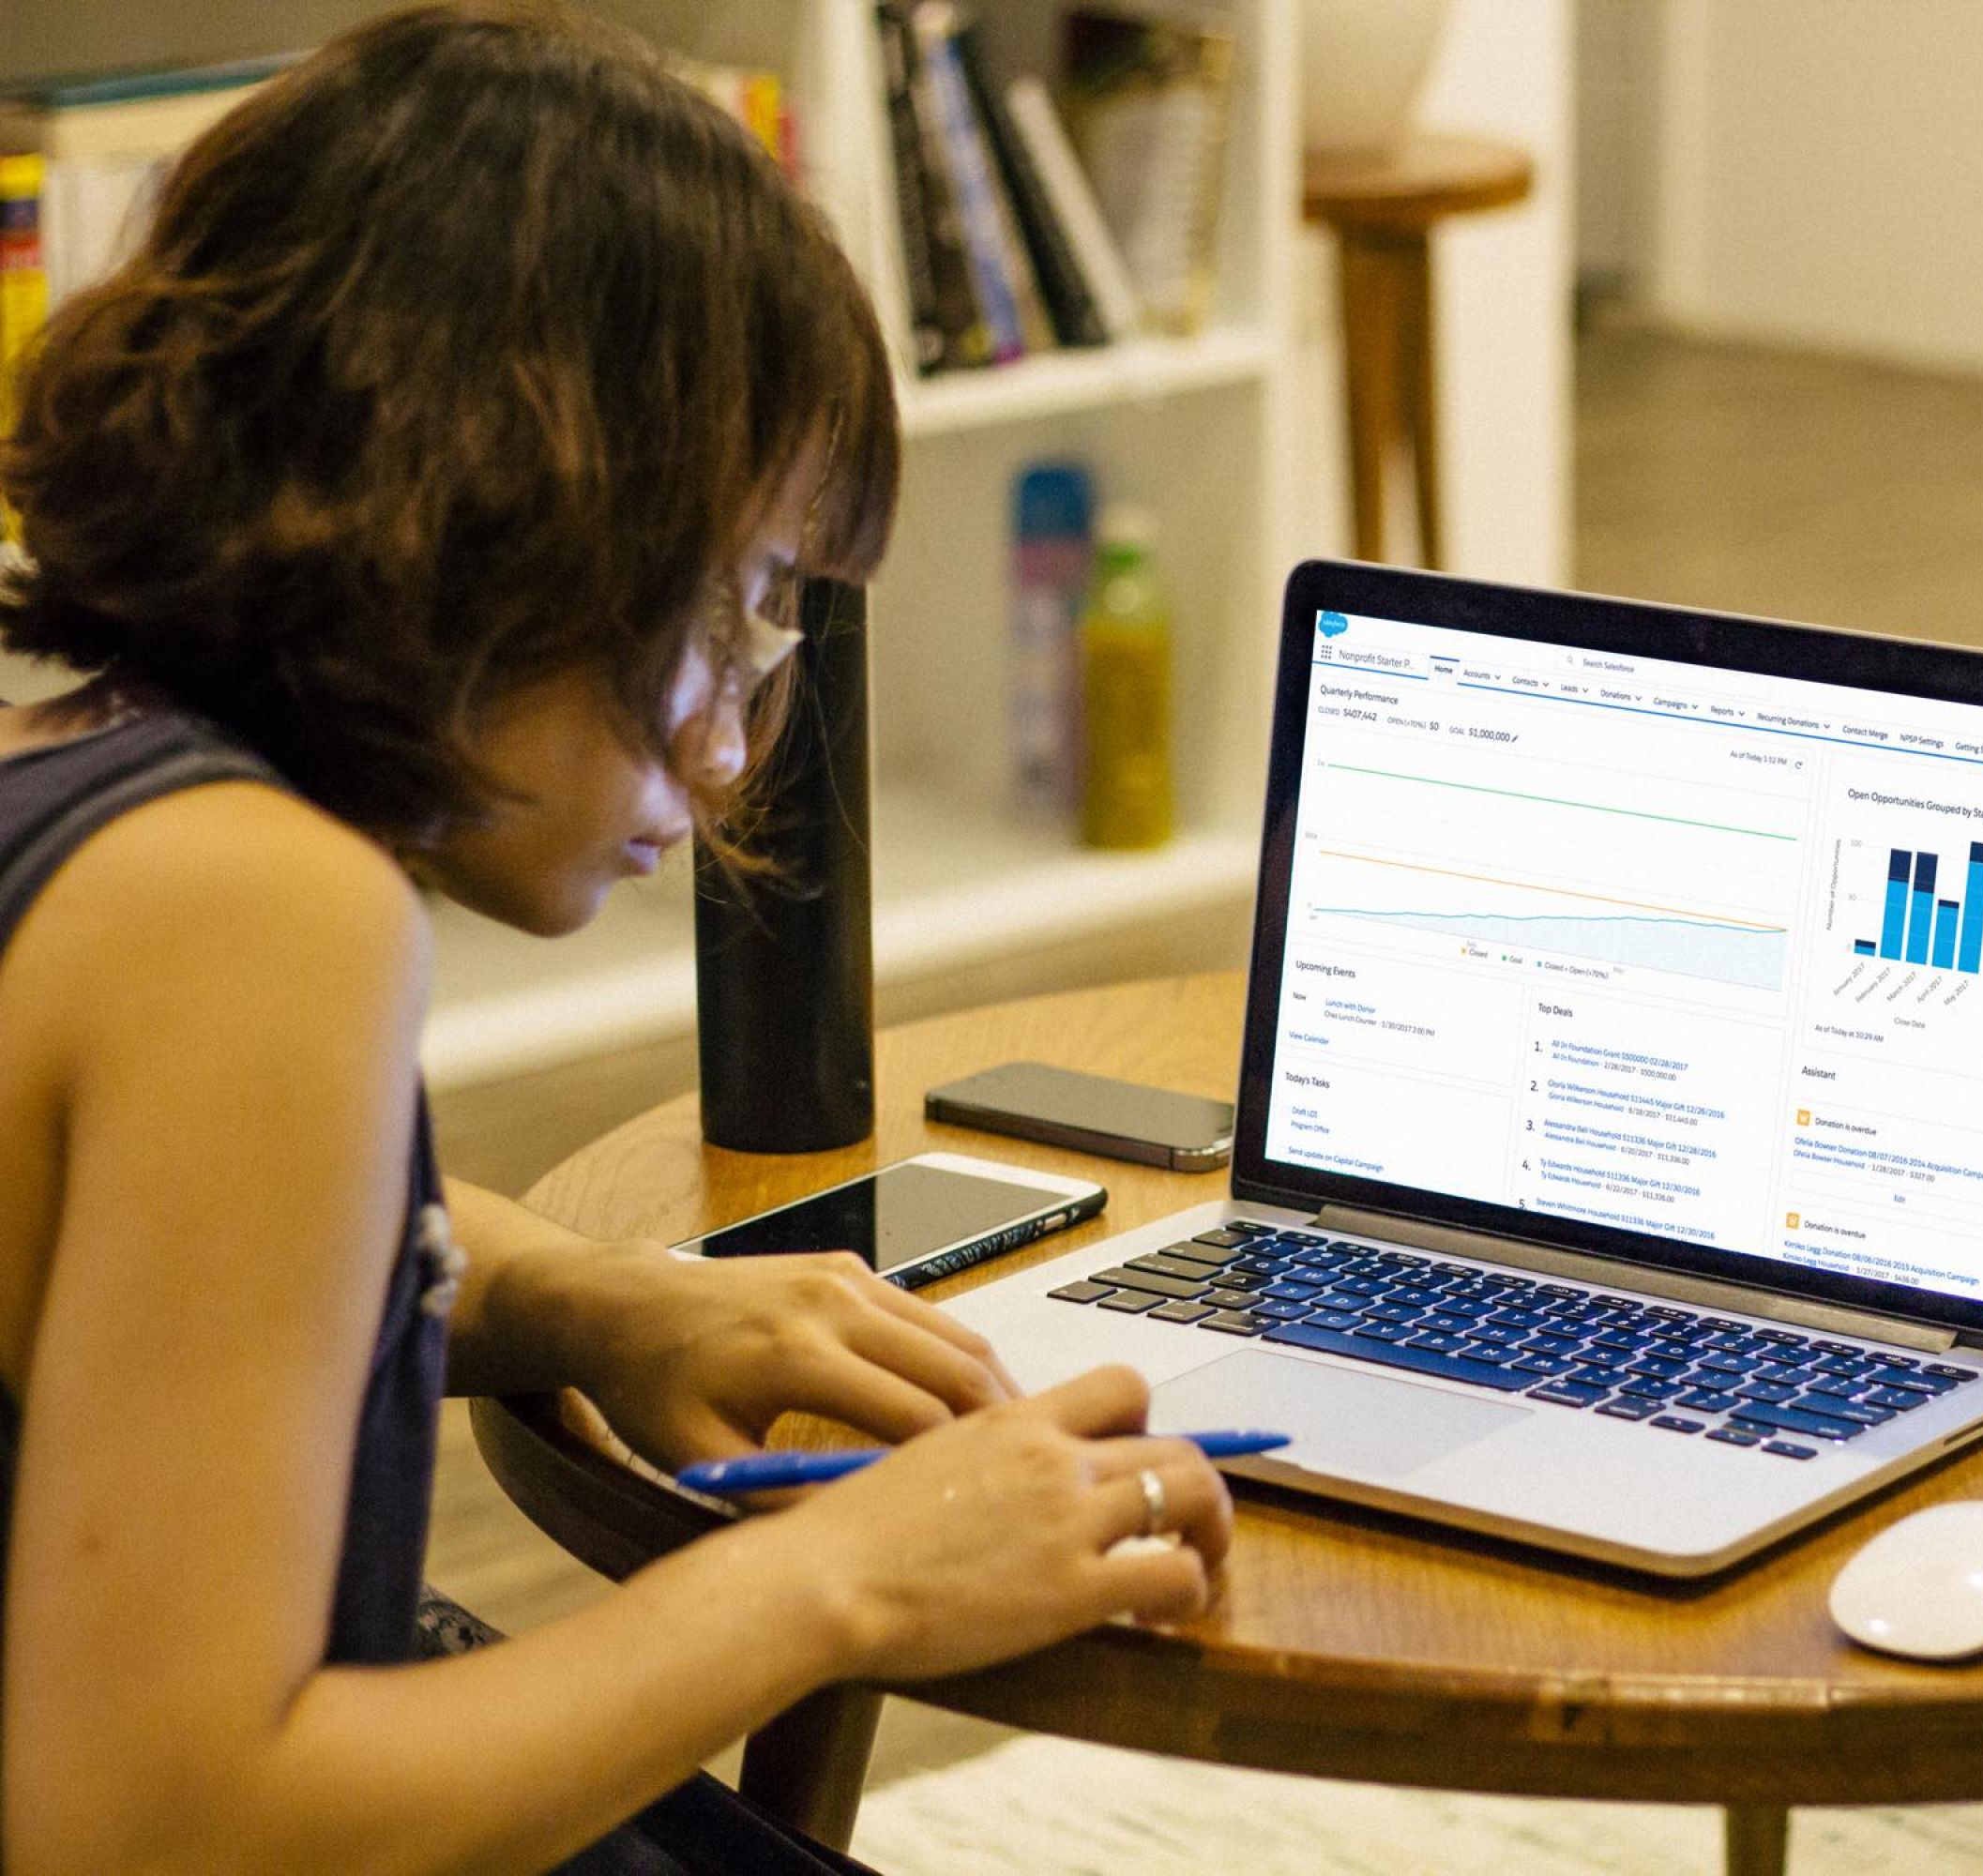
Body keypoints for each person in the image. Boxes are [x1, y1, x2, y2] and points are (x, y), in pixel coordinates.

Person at [0, 6, 1231, 1870]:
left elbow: (173, 1256)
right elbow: (157, 1824)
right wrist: (844, 1577)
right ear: (518, 512)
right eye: (729, 608)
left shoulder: (73, 753)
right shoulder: (264, 913)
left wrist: (594, 1293)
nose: (737, 743)